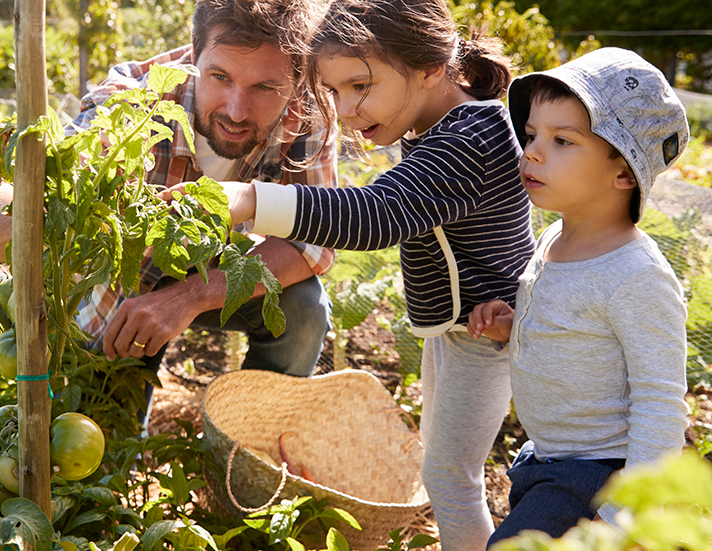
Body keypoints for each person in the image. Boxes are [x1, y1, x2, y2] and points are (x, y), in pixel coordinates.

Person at [167, 0, 537, 547]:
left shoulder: (471, 139)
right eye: (334, 92)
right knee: (447, 469)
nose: (345, 110)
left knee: (450, 480)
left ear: (432, 67)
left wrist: (249, 199)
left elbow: (376, 216)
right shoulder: (442, 124)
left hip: (487, 334)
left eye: (359, 86)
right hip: (464, 330)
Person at [0, 0, 338, 427]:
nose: (236, 109)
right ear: (194, 55)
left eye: (265, 87)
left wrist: (188, 297)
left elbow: (312, 241)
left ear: (297, 78)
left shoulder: (309, 110)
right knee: (102, 448)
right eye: (220, 76)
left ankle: (252, 449)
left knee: (304, 308)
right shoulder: (135, 100)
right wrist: (4, 216)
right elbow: (63, 173)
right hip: (123, 291)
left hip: (216, 268)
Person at [467, 48, 690, 547]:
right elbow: (573, 329)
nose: (533, 152)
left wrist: (621, 515)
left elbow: (660, 404)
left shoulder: (636, 276)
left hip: (597, 478)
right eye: (532, 135)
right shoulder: (553, 240)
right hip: (545, 459)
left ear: (625, 173)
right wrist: (514, 324)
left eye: (562, 140)